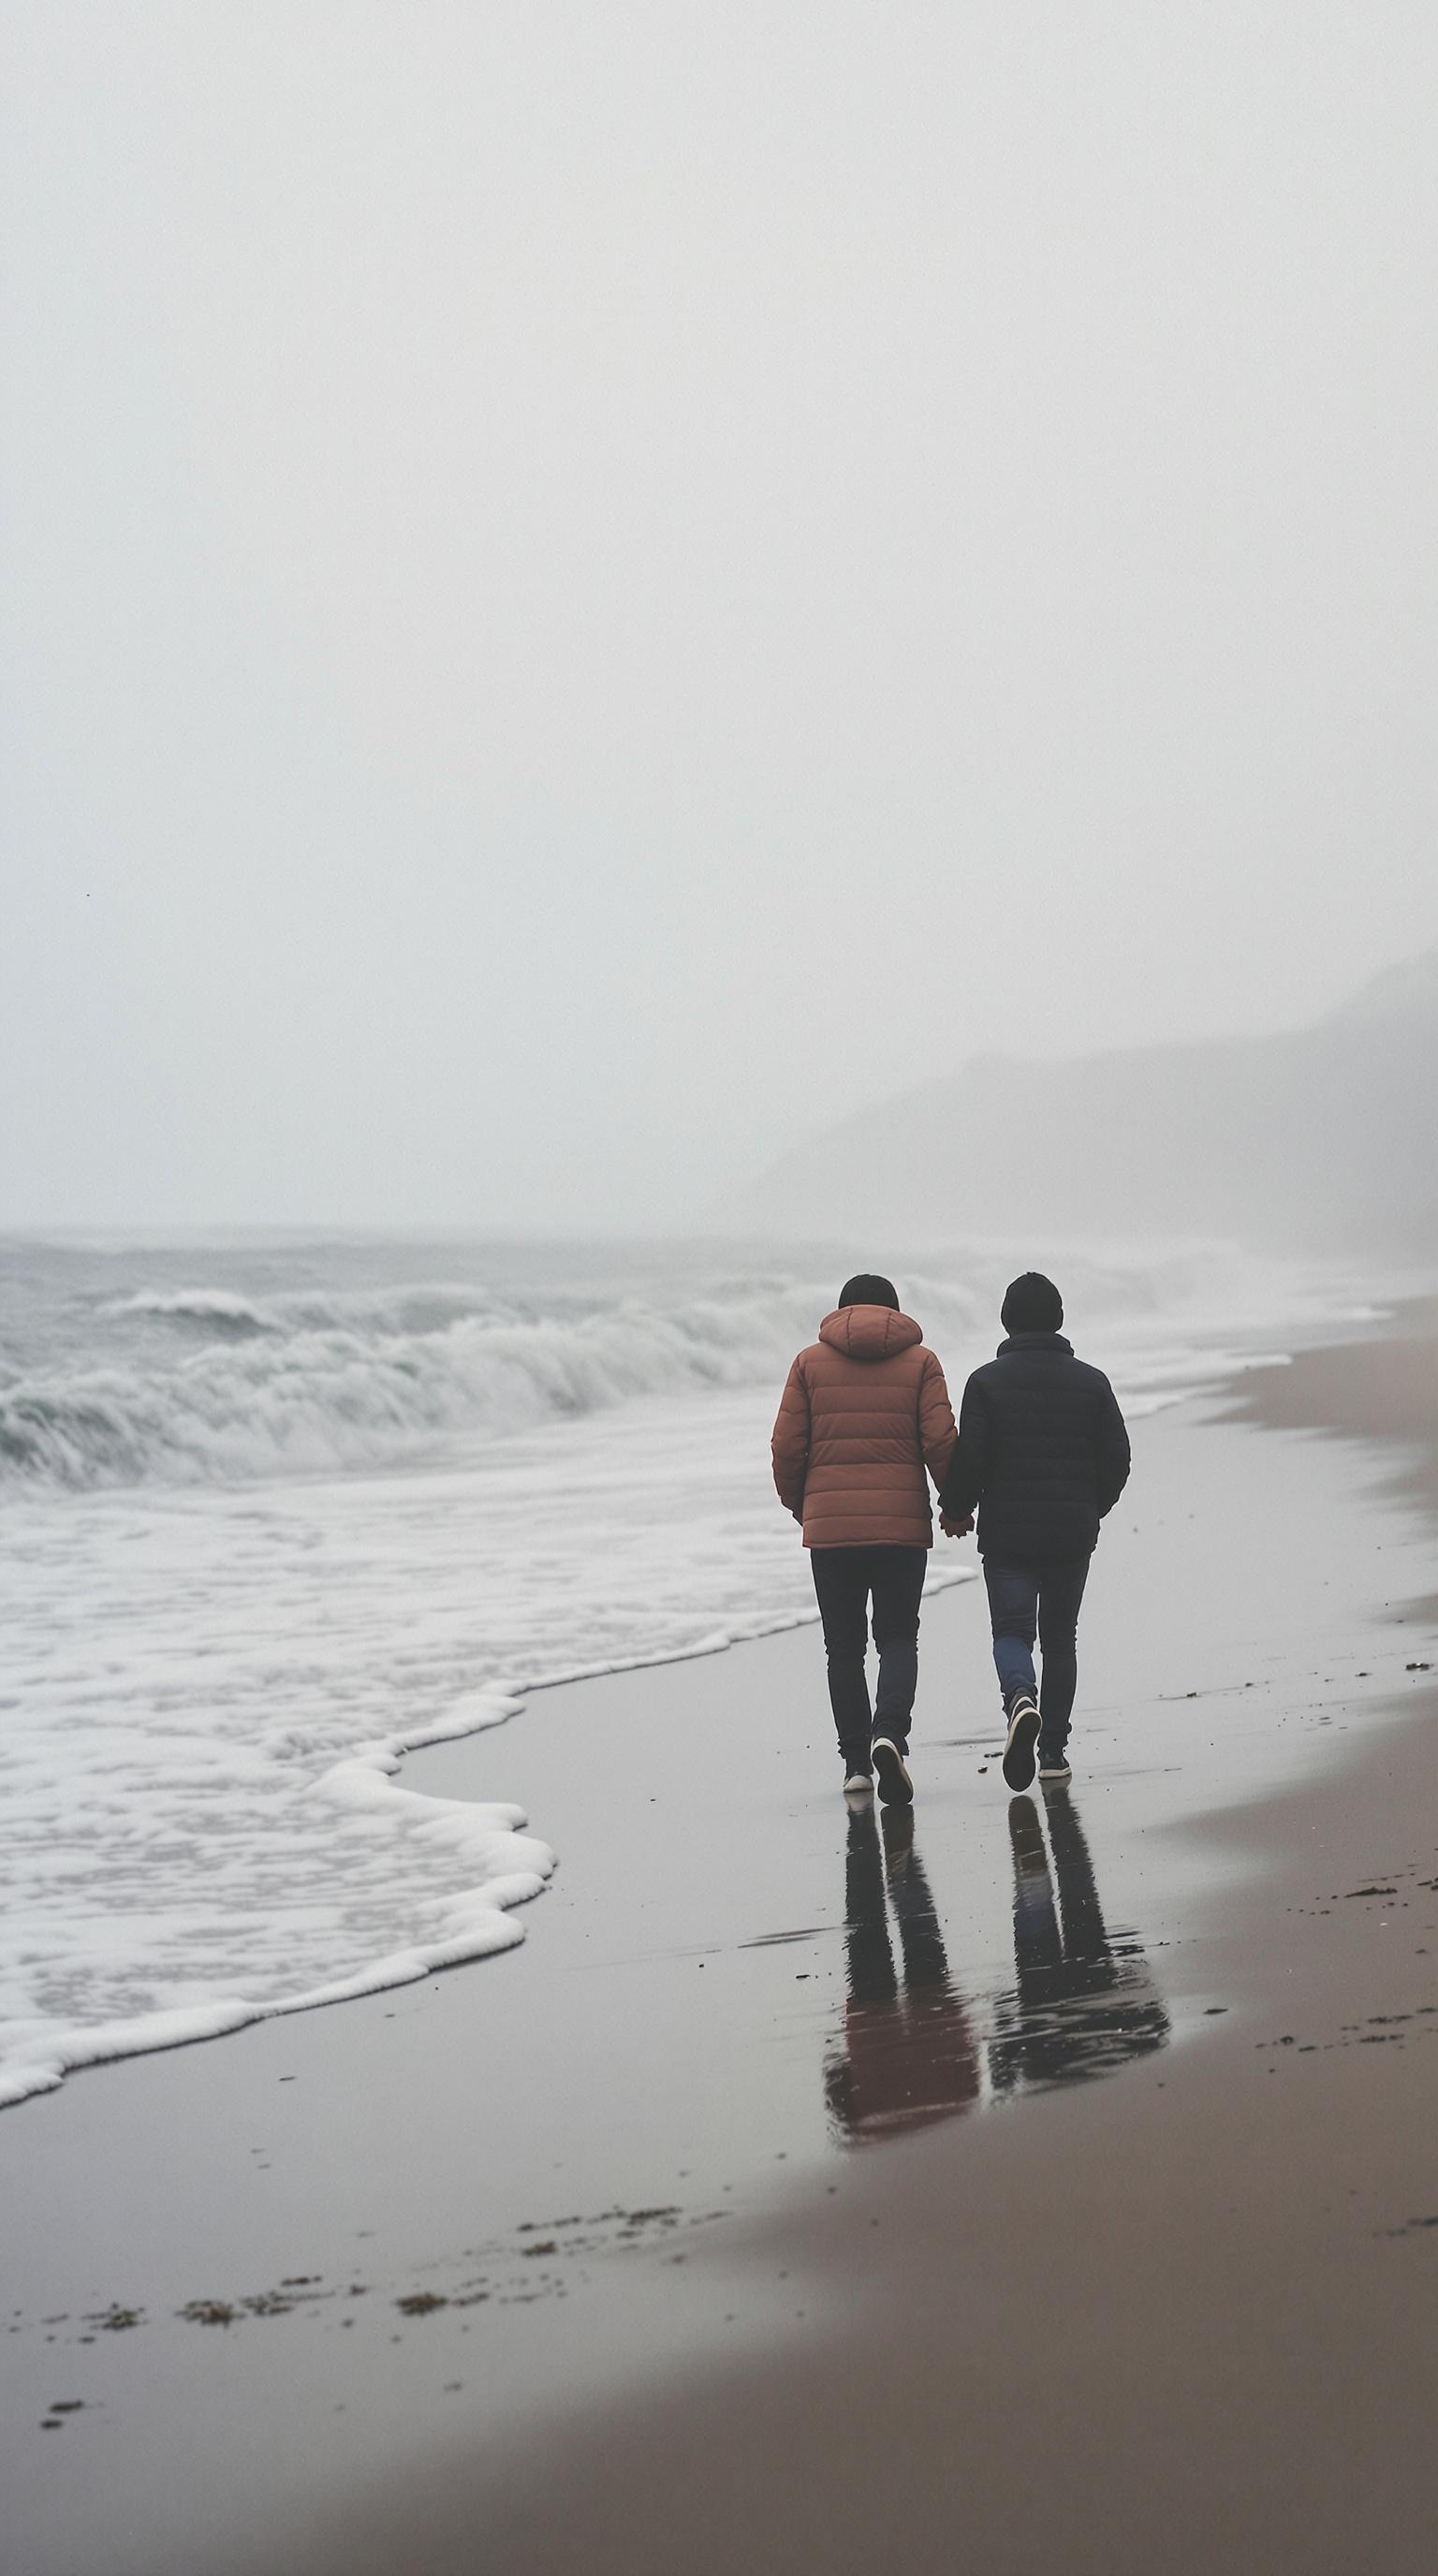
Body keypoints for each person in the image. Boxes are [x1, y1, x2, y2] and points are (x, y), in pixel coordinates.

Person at [938, 1271, 1130, 1791]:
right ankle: (1053, 1754)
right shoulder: (1093, 1381)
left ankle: (1021, 1699)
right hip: (1071, 1531)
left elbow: (972, 1457)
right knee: (1060, 1640)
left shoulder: (985, 1382)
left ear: (1005, 1321)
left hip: (1007, 1534)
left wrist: (955, 1509)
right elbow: (1118, 1458)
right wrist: (1092, 1508)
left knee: (1011, 1633)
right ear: (1060, 1319)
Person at [771, 1272, 957, 1805]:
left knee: (843, 1648)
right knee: (898, 1637)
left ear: (841, 1312)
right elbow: (940, 1440)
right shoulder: (921, 1362)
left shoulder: (808, 1363)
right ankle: (890, 1734)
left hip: (831, 1528)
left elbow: (787, 1447)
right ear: (895, 1314)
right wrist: (953, 1501)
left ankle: (856, 1763)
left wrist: (800, 1505)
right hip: (900, 1526)